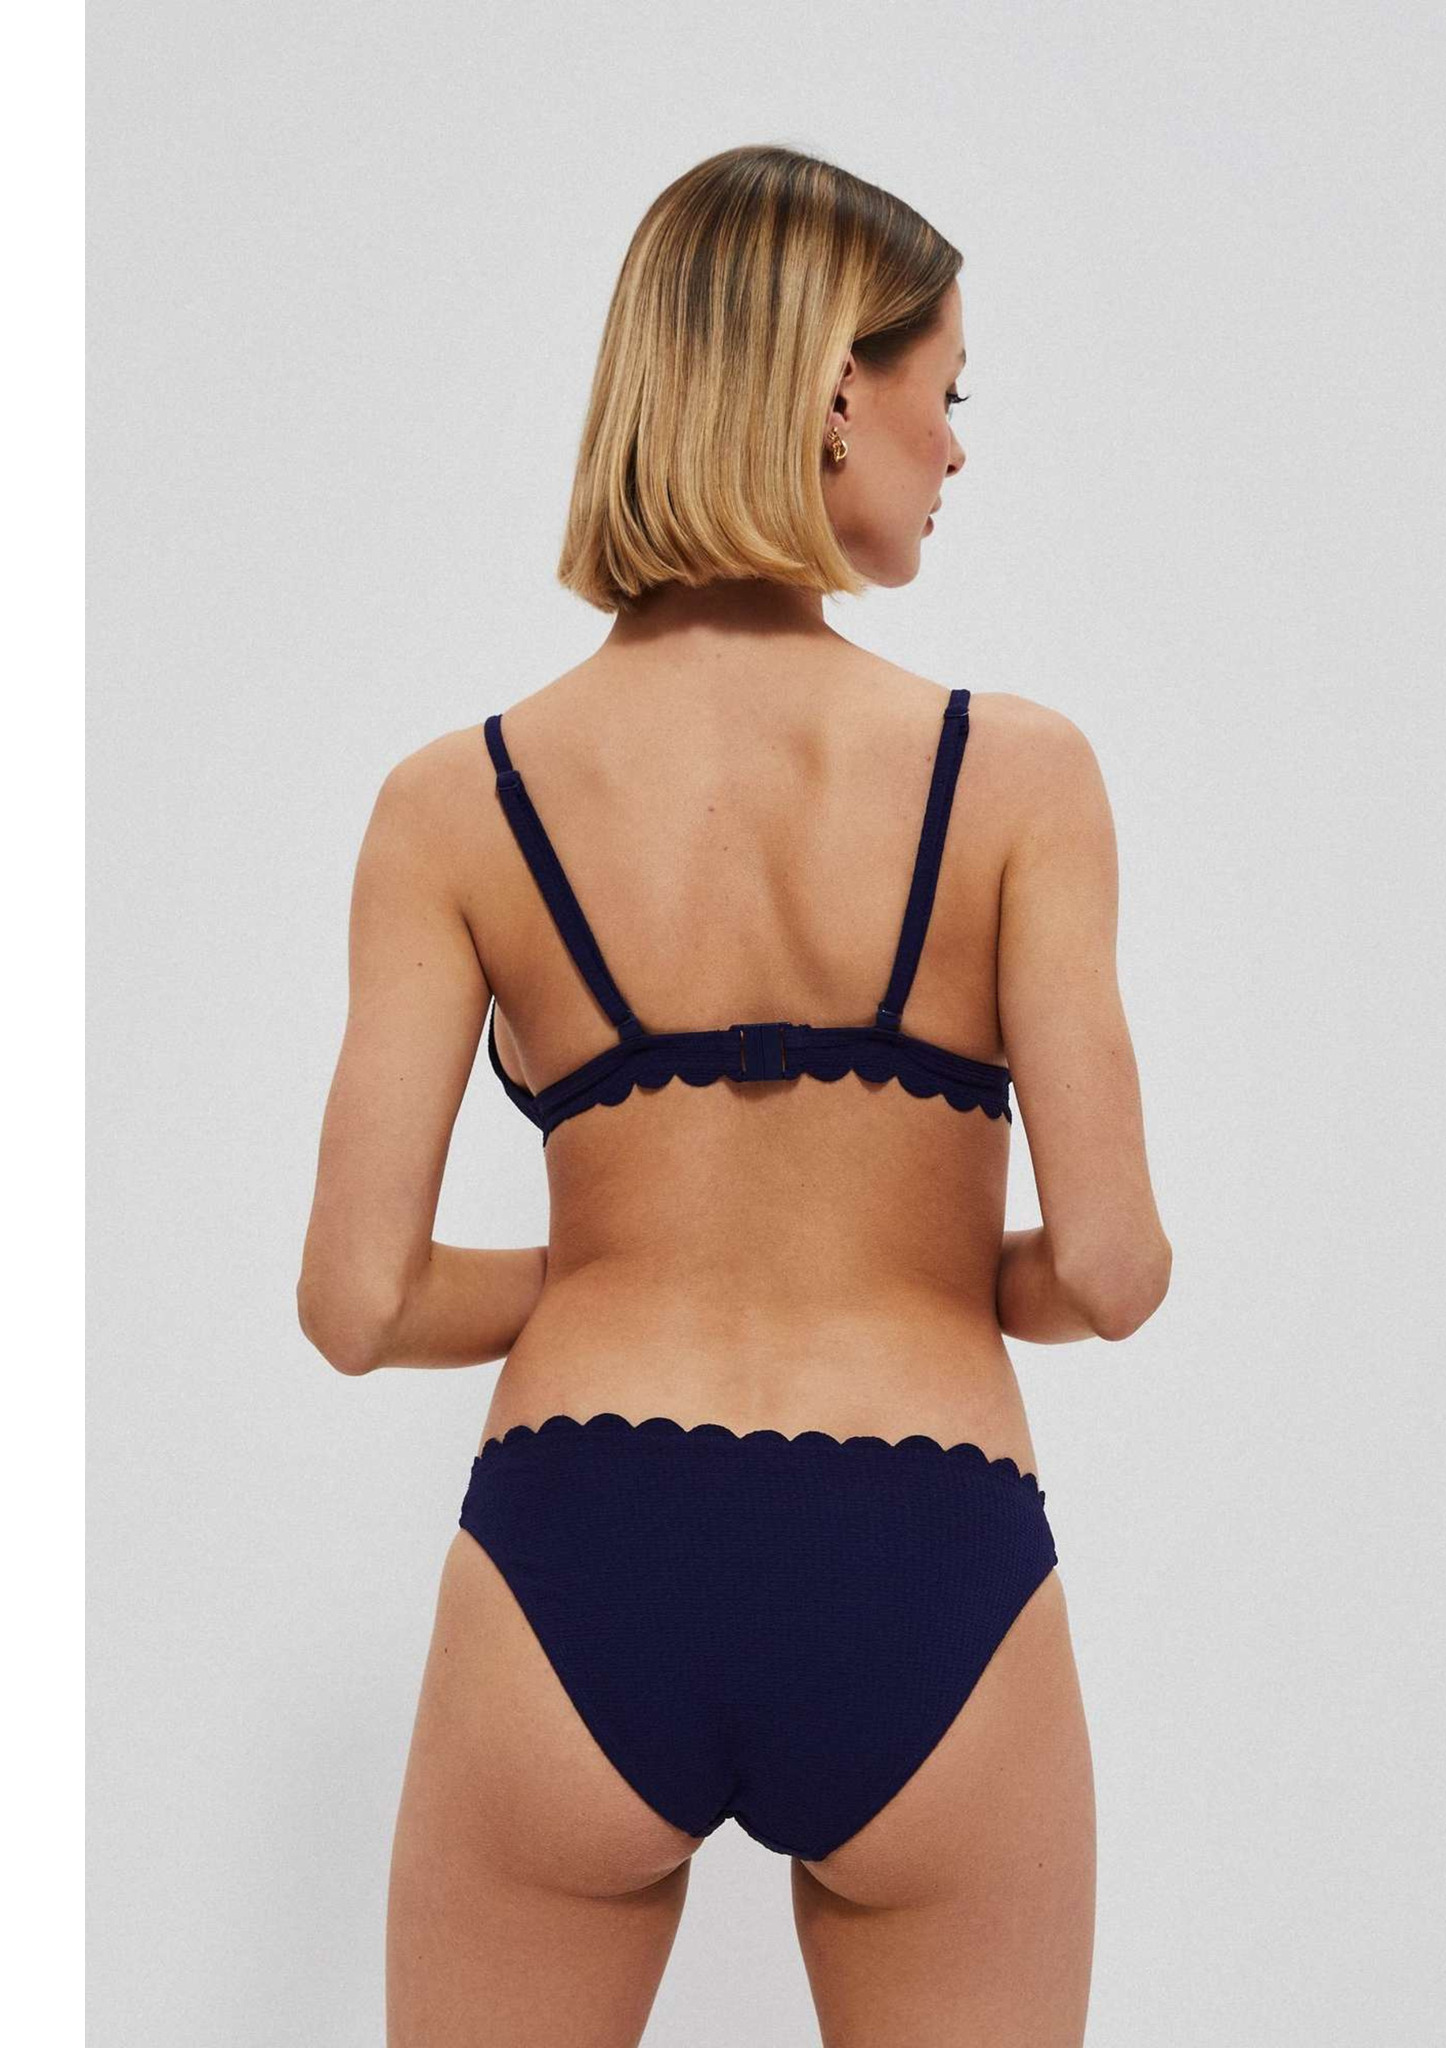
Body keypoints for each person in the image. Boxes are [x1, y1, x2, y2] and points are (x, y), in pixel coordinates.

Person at [298, 142, 1171, 2048]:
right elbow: (1112, 1268)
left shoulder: (452, 805)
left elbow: (356, 1303)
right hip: (926, 1551)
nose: (957, 450)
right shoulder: (1020, 777)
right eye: (949, 391)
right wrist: (909, 1263)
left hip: (577, 1543)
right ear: (838, 390)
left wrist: (630, 1268)